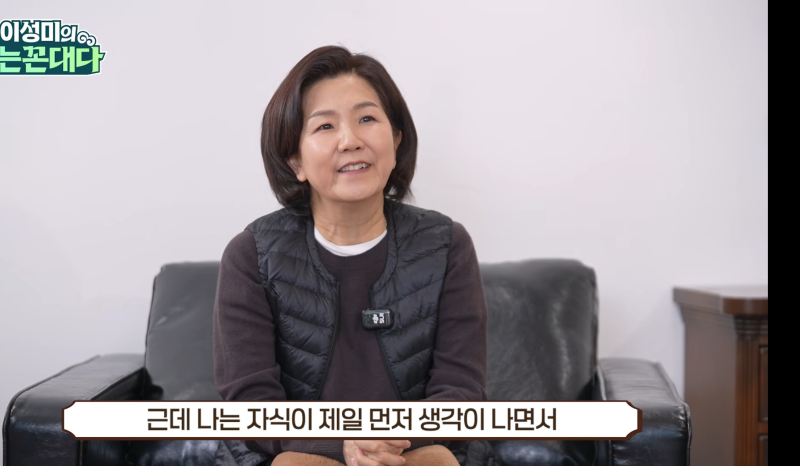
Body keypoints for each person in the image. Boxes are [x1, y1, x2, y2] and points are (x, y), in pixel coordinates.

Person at [213, 45, 492, 466]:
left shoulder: (447, 244)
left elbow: (460, 388)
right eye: (325, 126)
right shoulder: (251, 254)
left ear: (395, 140)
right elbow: (251, 405)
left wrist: (388, 444)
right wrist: (342, 446)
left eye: (367, 119)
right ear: (295, 161)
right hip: (300, 453)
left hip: (414, 450)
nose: (351, 141)